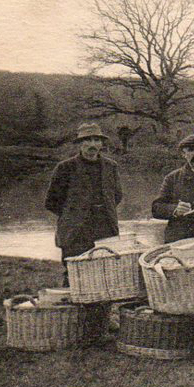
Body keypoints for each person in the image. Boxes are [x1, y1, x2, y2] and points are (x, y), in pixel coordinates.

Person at [45, 122, 122, 285]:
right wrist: (74, 213)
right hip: (76, 232)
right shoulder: (65, 168)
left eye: (96, 140)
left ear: (101, 144)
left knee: (105, 274)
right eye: (87, 140)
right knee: (75, 275)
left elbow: (117, 196)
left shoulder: (111, 167)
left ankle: (102, 310)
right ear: (79, 144)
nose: (92, 144)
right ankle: (73, 309)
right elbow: (52, 202)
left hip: (104, 227)